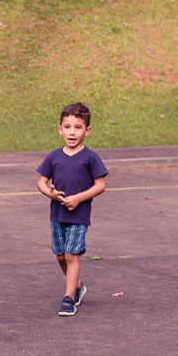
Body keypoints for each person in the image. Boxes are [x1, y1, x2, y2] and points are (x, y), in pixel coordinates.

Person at [35, 102, 108, 317]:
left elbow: (100, 185)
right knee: (60, 256)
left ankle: (69, 297)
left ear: (87, 130)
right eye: (67, 127)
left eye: (78, 127)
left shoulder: (91, 157)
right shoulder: (54, 157)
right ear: (60, 129)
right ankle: (77, 285)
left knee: (71, 255)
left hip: (79, 216)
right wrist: (50, 194)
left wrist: (78, 198)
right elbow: (41, 182)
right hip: (57, 215)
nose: (72, 132)